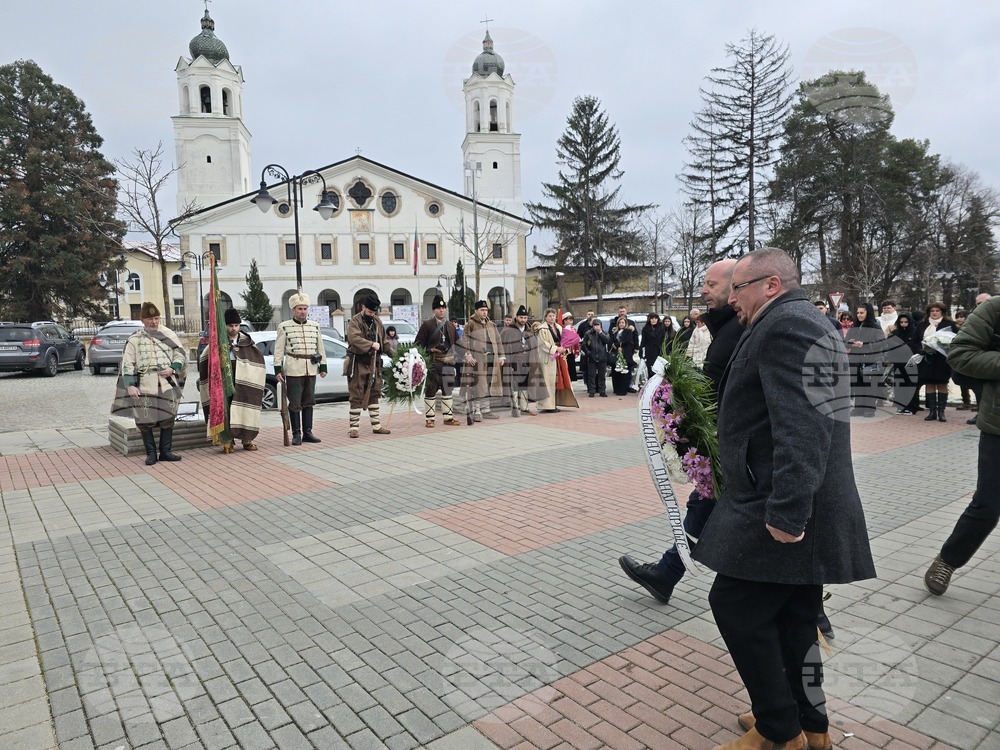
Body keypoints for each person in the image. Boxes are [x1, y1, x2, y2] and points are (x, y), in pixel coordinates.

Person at [693, 248, 875, 750]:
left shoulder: (786, 326)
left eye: (739, 288)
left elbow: (804, 426)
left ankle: (779, 729)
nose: (732, 299)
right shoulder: (799, 320)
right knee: (796, 618)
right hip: (791, 495)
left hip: (782, 501)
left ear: (771, 285)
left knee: (734, 605)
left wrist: (788, 511)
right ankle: (811, 725)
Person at [924, 293, 1000, 596]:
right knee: (988, 504)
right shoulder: (995, 308)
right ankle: (948, 560)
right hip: (999, 427)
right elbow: (961, 354)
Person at [116, 301, 188, 466]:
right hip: (145, 384)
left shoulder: (168, 334)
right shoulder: (135, 339)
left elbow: (180, 354)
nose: (154, 322)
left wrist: (172, 368)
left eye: (156, 318)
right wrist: (130, 385)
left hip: (166, 383)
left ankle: (166, 451)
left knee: (168, 416)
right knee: (144, 419)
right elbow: (127, 363)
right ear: (142, 320)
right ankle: (151, 453)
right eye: (150, 319)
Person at [198, 308, 266, 451]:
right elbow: (205, 360)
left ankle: (247, 440)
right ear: (225, 326)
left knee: (245, 407)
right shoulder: (217, 342)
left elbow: (256, 360)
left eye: (236, 325)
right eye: (230, 325)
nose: (234, 328)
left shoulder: (247, 341)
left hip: (244, 380)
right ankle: (228, 441)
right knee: (226, 409)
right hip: (224, 379)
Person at [274, 292, 326, 445]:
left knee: (309, 401)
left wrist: (323, 366)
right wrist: (278, 369)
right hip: (293, 369)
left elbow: (320, 347)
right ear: (293, 310)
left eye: (305, 308)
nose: (303, 312)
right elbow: (278, 350)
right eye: (299, 309)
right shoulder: (284, 327)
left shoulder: (315, 326)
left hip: (311, 368)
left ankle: (307, 432)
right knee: (295, 402)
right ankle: (296, 433)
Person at [346, 294, 391, 438]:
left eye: (374, 312)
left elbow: (384, 342)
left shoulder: (377, 321)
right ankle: (354, 428)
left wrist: (396, 356)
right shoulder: (355, 321)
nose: (372, 314)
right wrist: (371, 344)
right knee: (356, 393)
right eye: (370, 311)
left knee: (375, 392)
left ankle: (376, 426)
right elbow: (354, 338)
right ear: (363, 307)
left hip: (374, 363)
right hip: (358, 361)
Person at [414, 295, 462, 428]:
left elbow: (458, 344)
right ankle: (430, 419)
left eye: (443, 308)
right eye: (438, 308)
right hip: (433, 364)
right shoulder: (427, 325)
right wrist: (430, 350)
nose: (441, 310)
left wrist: (467, 355)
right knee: (431, 391)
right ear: (433, 310)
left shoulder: (450, 326)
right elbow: (417, 346)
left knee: (448, 391)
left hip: (448, 363)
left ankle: (448, 417)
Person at [461, 300, 506, 422]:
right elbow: (465, 340)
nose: (485, 312)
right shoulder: (470, 324)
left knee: (488, 384)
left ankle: (486, 410)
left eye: (486, 310)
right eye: (482, 310)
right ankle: (477, 411)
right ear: (476, 311)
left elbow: (498, 341)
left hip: (492, 359)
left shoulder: (491, 325)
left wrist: (501, 356)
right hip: (477, 360)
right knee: (478, 385)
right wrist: (468, 354)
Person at [914, 302, 958, 422]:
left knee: (942, 383)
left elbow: (955, 339)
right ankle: (932, 411)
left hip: (942, 359)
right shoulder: (922, 324)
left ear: (942, 312)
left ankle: (941, 412)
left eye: (937, 311)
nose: (934, 313)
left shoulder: (949, 324)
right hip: (927, 358)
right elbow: (915, 341)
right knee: (929, 384)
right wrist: (920, 349)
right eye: (932, 311)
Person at [844, 302, 886, 417]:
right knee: (858, 384)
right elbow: (846, 341)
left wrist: (864, 344)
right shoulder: (854, 326)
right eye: (857, 313)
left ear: (868, 313)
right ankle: (858, 408)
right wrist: (851, 343)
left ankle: (869, 409)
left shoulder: (875, 326)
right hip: (856, 359)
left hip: (871, 359)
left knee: (870, 385)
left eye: (862, 313)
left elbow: (881, 342)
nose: (859, 315)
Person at [500, 305, 540, 417]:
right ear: (516, 317)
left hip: (527, 361)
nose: (523, 320)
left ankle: (524, 408)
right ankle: (515, 407)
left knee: (525, 385)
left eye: (525, 318)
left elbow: (533, 346)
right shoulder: (508, 331)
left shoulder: (529, 330)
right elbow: (502, 346)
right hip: (514, 362)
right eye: (521, 317)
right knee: (515, 384)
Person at [533, 308, 564, 412]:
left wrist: (564, 348)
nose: (552, 318)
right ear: (545, 317)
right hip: (547, 358)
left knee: (556, 381)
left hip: (558, 357)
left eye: (553, 316)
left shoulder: (559, 327)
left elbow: (563, 339)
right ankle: (546, 405)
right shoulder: (542, 329)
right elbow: (543, 344)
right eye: (550, 316)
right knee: (547, 381)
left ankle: (554, 403)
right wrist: (556, 349)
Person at [889, 312, 920, 415]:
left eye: (906, 322)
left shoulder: (915, 332)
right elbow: (889, 345)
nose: (903, 324)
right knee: (899, 385)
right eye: (901, 322)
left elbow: (917, 346)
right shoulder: (895, 333)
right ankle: (900, 405)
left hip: (911, 362)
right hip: (898, 362)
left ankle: (912, 406)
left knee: (911, 385)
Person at [580, 317, 610, 397]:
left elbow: (607, 341)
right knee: (591, 375)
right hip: (592, 357)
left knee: (602, 375)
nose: (596, 327)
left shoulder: (605, 332)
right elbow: (584, 345)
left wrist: (600, 332)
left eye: (598, 325)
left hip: (602, 357)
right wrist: (588, 353)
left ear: (600, 325)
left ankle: (602, 390)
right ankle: (592, 391)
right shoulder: (588, 333)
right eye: (595, 325)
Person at [608, 316, 638, 395]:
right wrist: (614, 345)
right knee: (615, 372)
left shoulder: (628, 331)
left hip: (625, 353)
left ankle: (622, 390)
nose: (621, 324)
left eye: (622, 323)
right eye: (620, 323)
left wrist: (618, 345)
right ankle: (616, 389)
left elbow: (627, 341)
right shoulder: (615, 331)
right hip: (616, 353)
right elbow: (611, 340)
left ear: (625, 324)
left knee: (623, 372)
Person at [638, 313, 667, 378]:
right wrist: (641, 353)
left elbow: (664, 341)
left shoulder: (661, 328)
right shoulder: (645, 328)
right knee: (649, 371)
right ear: (649, 319)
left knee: (658, 372)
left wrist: (664, 352)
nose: (653, 320)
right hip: (649, 352)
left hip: (658, 352)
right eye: (652, 318)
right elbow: (643, 341)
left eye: (655, 318)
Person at [576, 310, 597, 385]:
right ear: (586, 315)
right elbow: (578, 336)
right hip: (585, 348)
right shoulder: (582, 325)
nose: (590, 315)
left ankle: (594, 383)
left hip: (595, 349)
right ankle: (586, 383)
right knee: (585, 367)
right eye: (589, 314)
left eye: (592, 314)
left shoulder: (597, 325)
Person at [562, 312, 579, 381]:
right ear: (565, 321)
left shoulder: (573, 329)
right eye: (569, 320)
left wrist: (577, 350)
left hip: (571, 352)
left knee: (571, 370)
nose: (571, 322)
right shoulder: (561, 329)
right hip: (564, 352)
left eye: (572, 320)